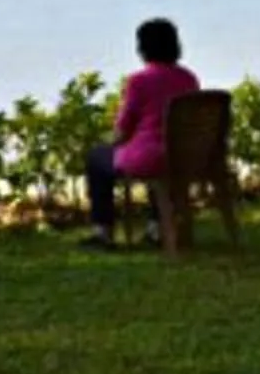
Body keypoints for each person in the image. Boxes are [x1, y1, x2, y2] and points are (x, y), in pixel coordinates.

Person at [84, 17, 199, 248]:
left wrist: (112, 141)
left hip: (150, 158)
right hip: (184, 157)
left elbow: (123, 130)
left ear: (143, 48)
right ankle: (156, 227)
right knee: (158, 162)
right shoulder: (189, 78)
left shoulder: (139, 81)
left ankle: (103, 231)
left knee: (97, 157)